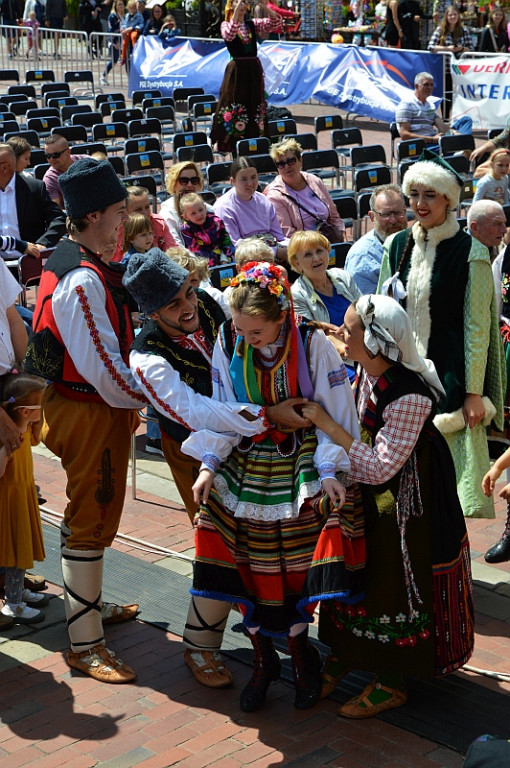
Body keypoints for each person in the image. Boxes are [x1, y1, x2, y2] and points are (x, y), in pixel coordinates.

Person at [124, 249, 316, 689]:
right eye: (173, 305)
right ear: (152, 313)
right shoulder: (146, 358)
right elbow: (197, 412)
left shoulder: (212, 301)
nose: (189, 306)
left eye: (187, 292)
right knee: (218, 545)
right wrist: (269, 414)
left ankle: (275, 631)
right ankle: (201, 645)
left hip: (263, 438)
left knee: (270, 544)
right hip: (197, 450)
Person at [181, 261, 363, 712]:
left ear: (282, 315)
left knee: (295, 563)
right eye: (240, 328)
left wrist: (327, 472)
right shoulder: (227, 339)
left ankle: (301, 657)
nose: (245, 338)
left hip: (300, 457)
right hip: (245, 455)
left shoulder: (312, 343)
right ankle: (265, 658)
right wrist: (208, 465)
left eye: (255, 331)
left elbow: (334, 413)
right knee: (238, 552)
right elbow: (225, 410)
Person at [302, 294, 474, 718]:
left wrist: (326, 425)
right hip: (372, 491)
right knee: (354, 563)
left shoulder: (410, 394)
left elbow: (381, 468)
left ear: (377, 342)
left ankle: (391, 679)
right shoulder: (366, 369)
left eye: (350, 329)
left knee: (390, 576)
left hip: (406, 504)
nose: (342, 333)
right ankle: (346, 653)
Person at [24, 158, 147, 684]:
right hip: (86, 409)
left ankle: (88, 605)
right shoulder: (81, 278)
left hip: (87, 403)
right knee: (90, 515)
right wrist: (150, 402)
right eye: (119, 212)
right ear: (93, 215)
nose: (124, 222)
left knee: (94, 515)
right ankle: (84, 641)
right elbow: (103, 370)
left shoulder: (77, 259)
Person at [378, 150, 506, 519]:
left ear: (449, 199)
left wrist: (473, 393)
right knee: (407, 479)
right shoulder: (396, 245)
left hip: (450, 375)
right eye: (414, 194)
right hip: (402, 375)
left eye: (430, 195)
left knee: (449, 486)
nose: (419, 203)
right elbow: (386, 313)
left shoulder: (472, 252)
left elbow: (478, 330)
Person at [0, 371, 49, 625]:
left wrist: (33, 425)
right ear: (26, 411)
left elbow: (38, 439)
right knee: (15, 554)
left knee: (19, 553)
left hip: (23, 496)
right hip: (10, 504)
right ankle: (14, 604)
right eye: (41, 405)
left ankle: (15, 592)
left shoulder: (25, 431)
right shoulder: (7, 440)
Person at [288, 230, 360, 383]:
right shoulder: (297, 294)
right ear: (297, 263)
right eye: (307, 254)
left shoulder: (344, 277)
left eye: (320, 251)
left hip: (363, 346)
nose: (316, 258)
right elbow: (315, 337)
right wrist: (349, 352)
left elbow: (365, 312)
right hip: (334, 359)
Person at [210, 0, 282, 152]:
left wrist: (263, 6)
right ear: (231, 5)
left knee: (254, 103)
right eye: (237, 1)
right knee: (235, 102)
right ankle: (233, 142)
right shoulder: (225, 24)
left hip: (252, 70)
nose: (242, 4)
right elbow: (229, 35)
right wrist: (236, 12)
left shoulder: (252, 24)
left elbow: (276, 22)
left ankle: (255, 139)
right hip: (237, 71)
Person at [264, 138, 346, 244]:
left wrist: (341, 234)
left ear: (300, 160)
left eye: (291, 161)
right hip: (303, 249)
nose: (287, 167)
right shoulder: (274, 196)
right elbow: (288, 235)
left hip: (328, 241)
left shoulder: (314, 180)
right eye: (281, 164)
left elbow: (334, 216)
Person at [0, 143, 66, 263]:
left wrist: (42, 244)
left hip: (30, 262)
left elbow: (59, 219)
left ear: (4, 168)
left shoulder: (34, 188)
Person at [214, 157, 289, 263]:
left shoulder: (263, 200)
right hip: (248, 256)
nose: (250, 183)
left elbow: (279, 237)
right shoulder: (224, 207)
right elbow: (236, 245)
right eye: (244, 179)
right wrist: (275, 252)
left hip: (273, 248)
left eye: (253, 177)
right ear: (233, 181)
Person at [345, 184, 407, 295]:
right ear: (372, 217)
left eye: (398, 213)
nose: (393, 220)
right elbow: (366, 308)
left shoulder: (413, 241)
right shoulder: (362, 257)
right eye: (386, 214)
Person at [395, 72, 472, 152]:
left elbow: (442, 127)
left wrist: (454, 132)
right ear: (416, 86)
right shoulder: (406, 105)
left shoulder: (430, 105)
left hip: (434, 142)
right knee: (452, 147)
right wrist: (432, 139)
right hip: (418, 146)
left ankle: (462, 145)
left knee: (466, 120)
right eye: (426, 85)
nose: (430, 88)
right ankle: (463, 148)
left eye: (431, 85)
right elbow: (404, 135)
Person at [427, 7, 474, 121]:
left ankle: (457, 119)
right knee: (445, 95)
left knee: (457, 95)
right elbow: (431, 47)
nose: (453, 17)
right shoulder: (441, 30)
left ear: (458, 16)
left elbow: (471, 49)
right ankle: (446, 120)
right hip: (445, 68)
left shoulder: (464, 31)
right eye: (450, 15)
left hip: (460, 69)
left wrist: (461, 48)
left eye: (455, 15)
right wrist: (446, 48)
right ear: (446, 17)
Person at [160, 162, 212, 247]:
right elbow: (176, 248)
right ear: (173, 184)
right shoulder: (167, 213)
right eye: (184, 181)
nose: (190, 185)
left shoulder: (207, 208)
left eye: (194, 180)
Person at [179, 193, 234, 268]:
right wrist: (215, 258)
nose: (199, 215)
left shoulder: (216, 221)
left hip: (222, 254)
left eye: (201, 210)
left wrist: (226, 257)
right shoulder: (186, 229)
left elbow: (226, 239)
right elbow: (195, 249)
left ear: (205, 208)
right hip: (202, 260)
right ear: (186, 216)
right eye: (193, 213)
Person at [42, 135, 88, 209]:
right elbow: (55, 210)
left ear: (68, 152)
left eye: (55, 155)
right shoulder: (50, 179)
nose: (51, 159)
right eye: (48, 156)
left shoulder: (87, 161)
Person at [101, 0, 124, 85]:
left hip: (122, 40)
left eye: (122, 4)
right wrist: (115, 42)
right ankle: (103, 76)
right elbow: (111, 30)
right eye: (119, 4)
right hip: (115, 41)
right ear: (115, 5)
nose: (120, 6)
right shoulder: (112, 16)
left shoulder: (122, 16)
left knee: (119, 60)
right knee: (114, 60)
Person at [119, 0, 144, 65]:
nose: (132, 10)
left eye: (134, 8)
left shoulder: (139, 15)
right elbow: (125, 23)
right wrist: (123, 28)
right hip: (128, 29)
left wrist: (137, 28)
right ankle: (123, 57)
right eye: (131, 9)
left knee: (134, 37)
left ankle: (135, 52)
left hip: (134, 29)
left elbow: (141, 23)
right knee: (124, 42)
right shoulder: (127, 15)